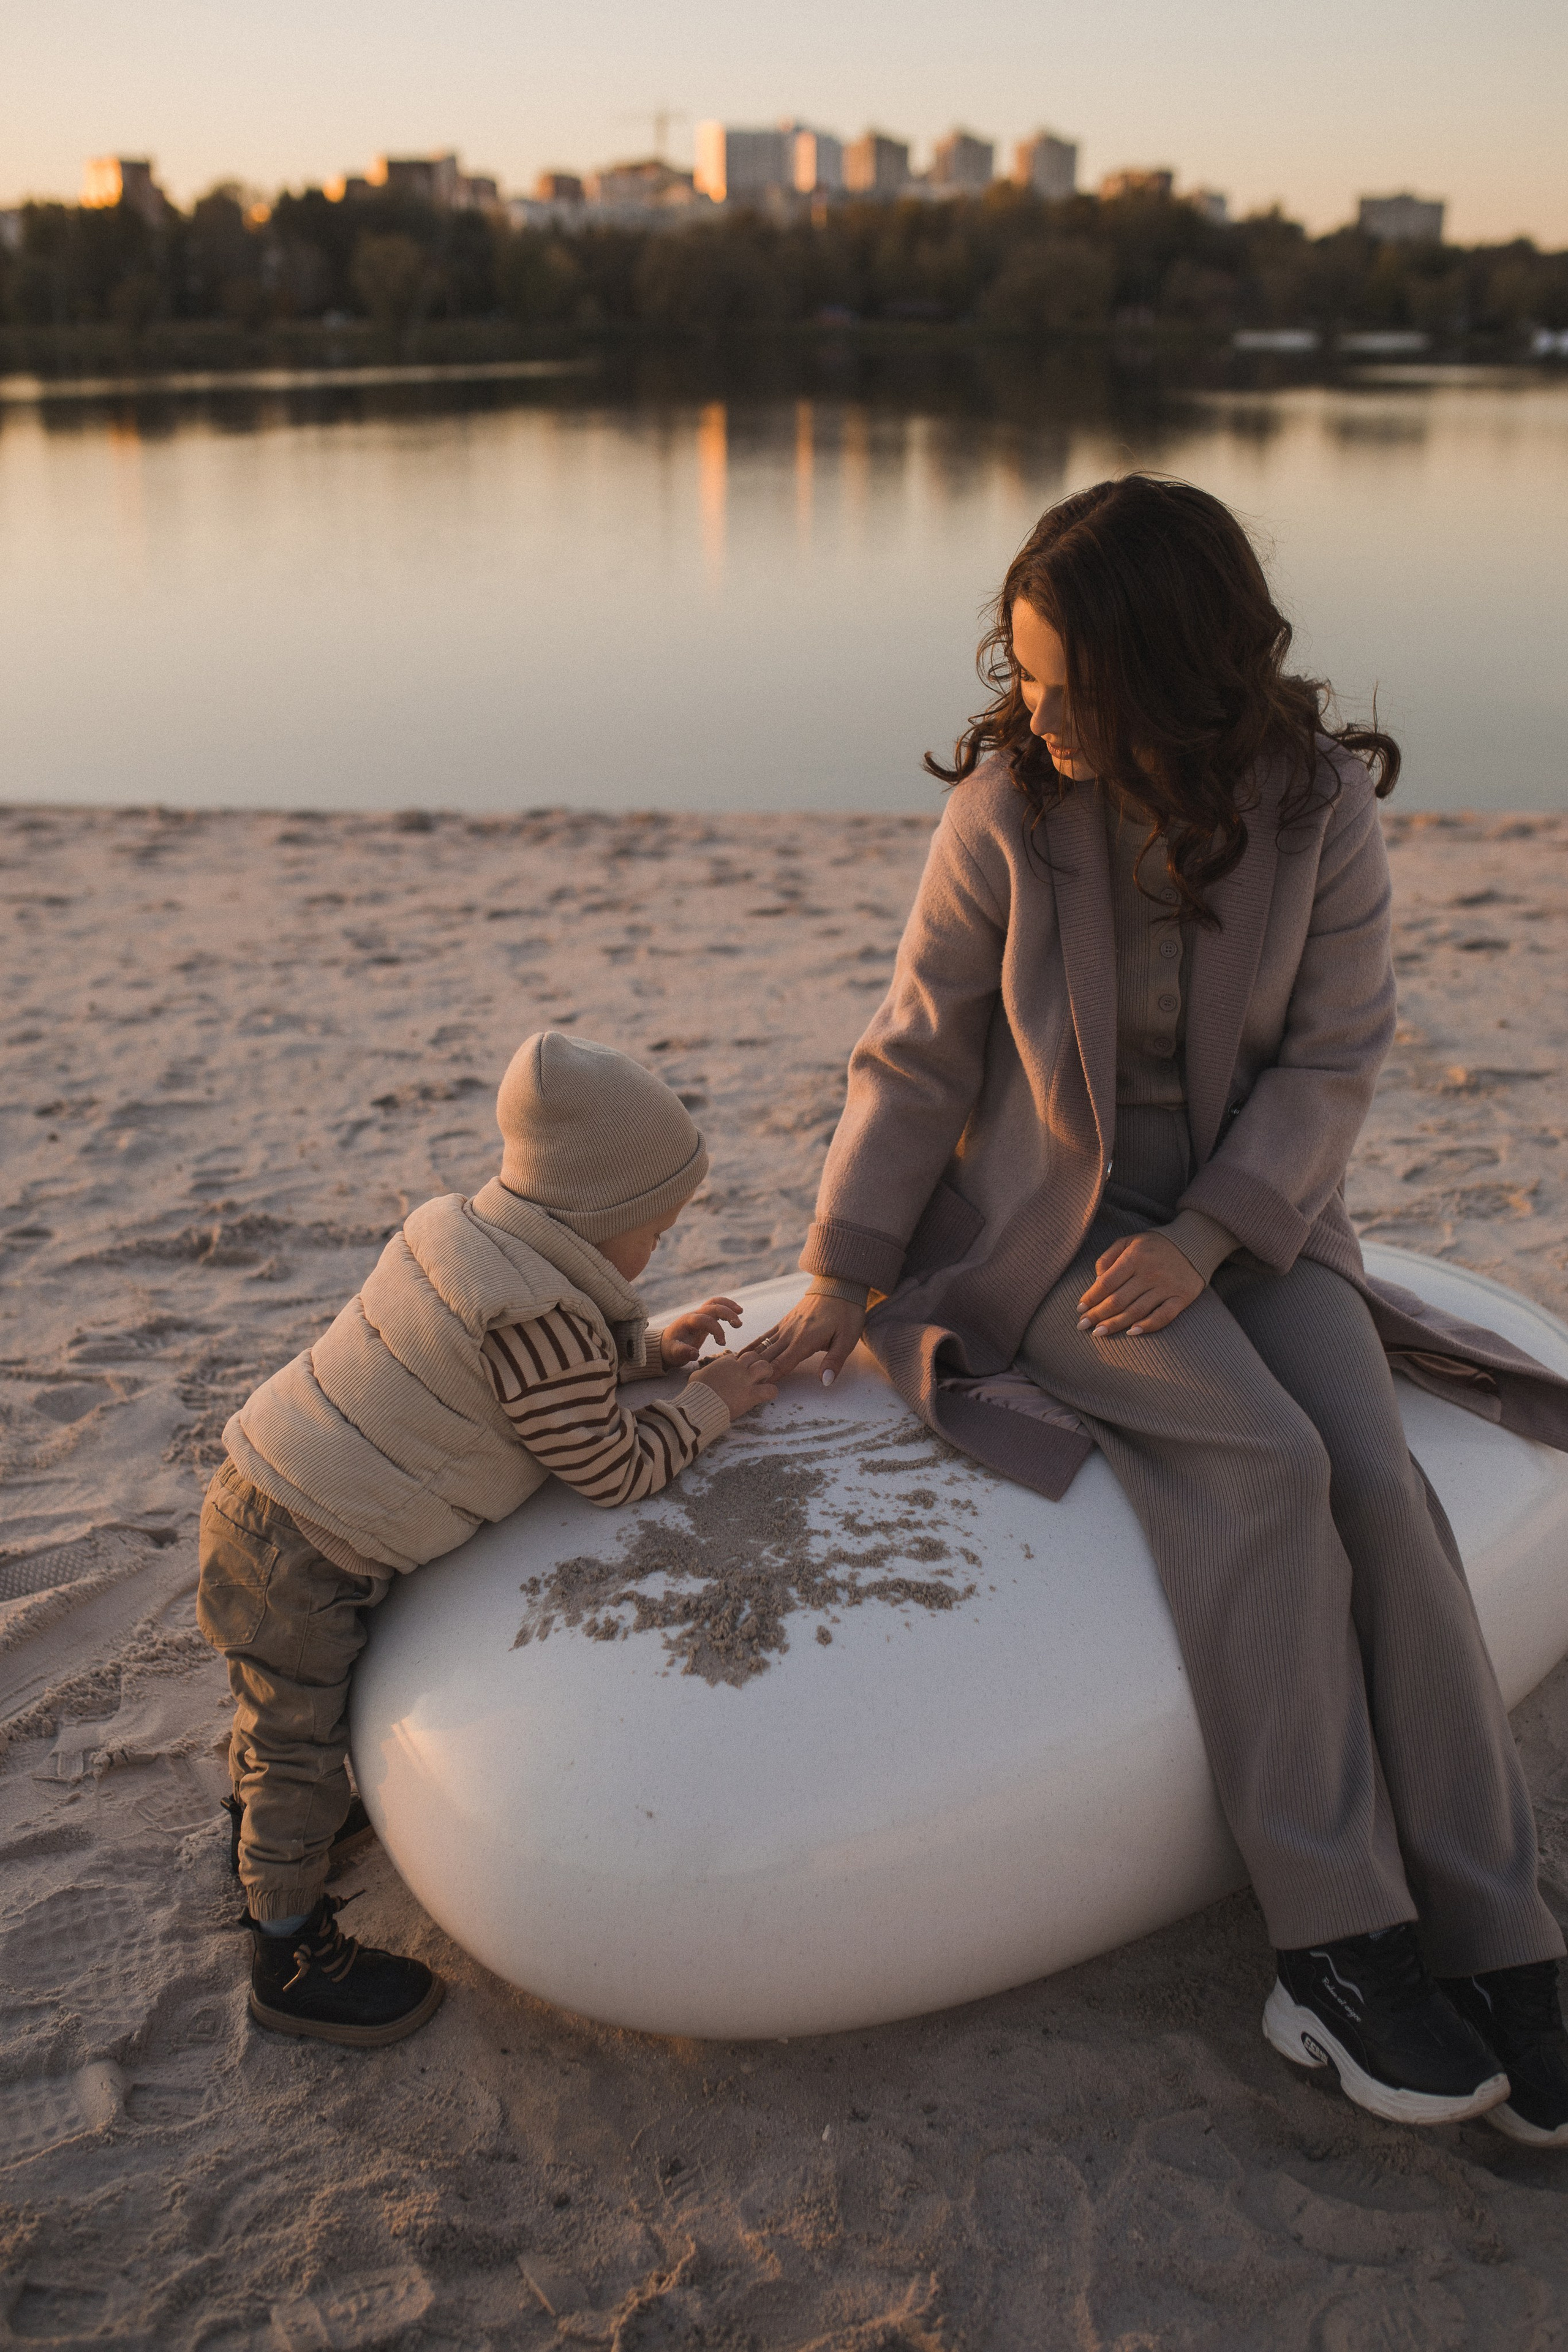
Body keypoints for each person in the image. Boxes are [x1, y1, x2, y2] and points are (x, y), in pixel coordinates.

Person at [750, 476, 1568, 2146]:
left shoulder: (1317, 805)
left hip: (1255, 1222)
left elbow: (1334, 1058)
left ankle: (1501, 1933)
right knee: (1262, 1464)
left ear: (1177, 676)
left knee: (1379, 1483)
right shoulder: (1007, 807)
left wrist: (1210, 1234)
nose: (1038, 714)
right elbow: (918, 1052)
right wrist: (843, 1264)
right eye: (1026, 673)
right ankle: (1333, 1947)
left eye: (1074, 686)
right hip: (1046, 1231)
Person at [198, 1031, 777, 2046]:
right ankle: (287, 1949)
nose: (659, 1249)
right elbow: (609, 1467)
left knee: (279, 1703)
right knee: (297, 1738)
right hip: (308, 1550)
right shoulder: (537, 1319)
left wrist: (651, 1349)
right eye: (654, 1229)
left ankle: (262, 1829)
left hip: (263, 1487)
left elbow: (538, 1373)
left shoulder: (465, 1237)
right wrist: (709, 1403)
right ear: (595, 1218)